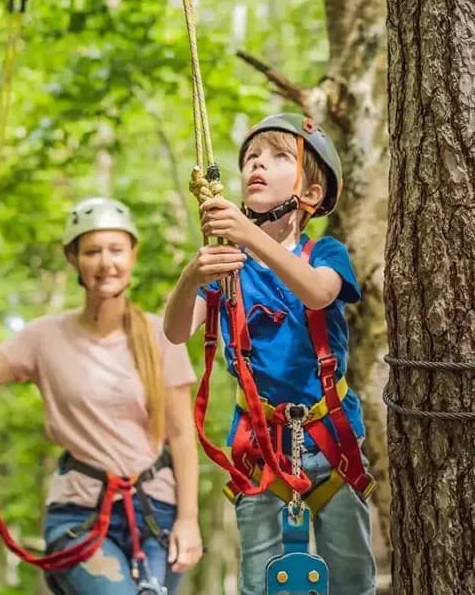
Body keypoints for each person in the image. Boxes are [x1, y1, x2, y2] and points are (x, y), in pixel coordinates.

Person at [163, 113, 377, 595]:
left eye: (280, 157)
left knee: (351, 580)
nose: (258, 165)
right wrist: (193, 276)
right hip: (259, 450)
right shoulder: (227, 269)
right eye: (252, 158)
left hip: (331, 440)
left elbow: (318, 294)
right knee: (259, 582)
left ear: (312, 196)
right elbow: (176, 331)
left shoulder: (323, 254)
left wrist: (246, 235)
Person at [0, 197, 203, 594]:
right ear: (73, 259)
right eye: (92, 252)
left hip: (156, 512)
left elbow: (183, 435)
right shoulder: (44, 338)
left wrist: (189, 519)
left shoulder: (162, 334)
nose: (106, 263)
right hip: (80, 511)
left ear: (133, 255)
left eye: (116, 250)